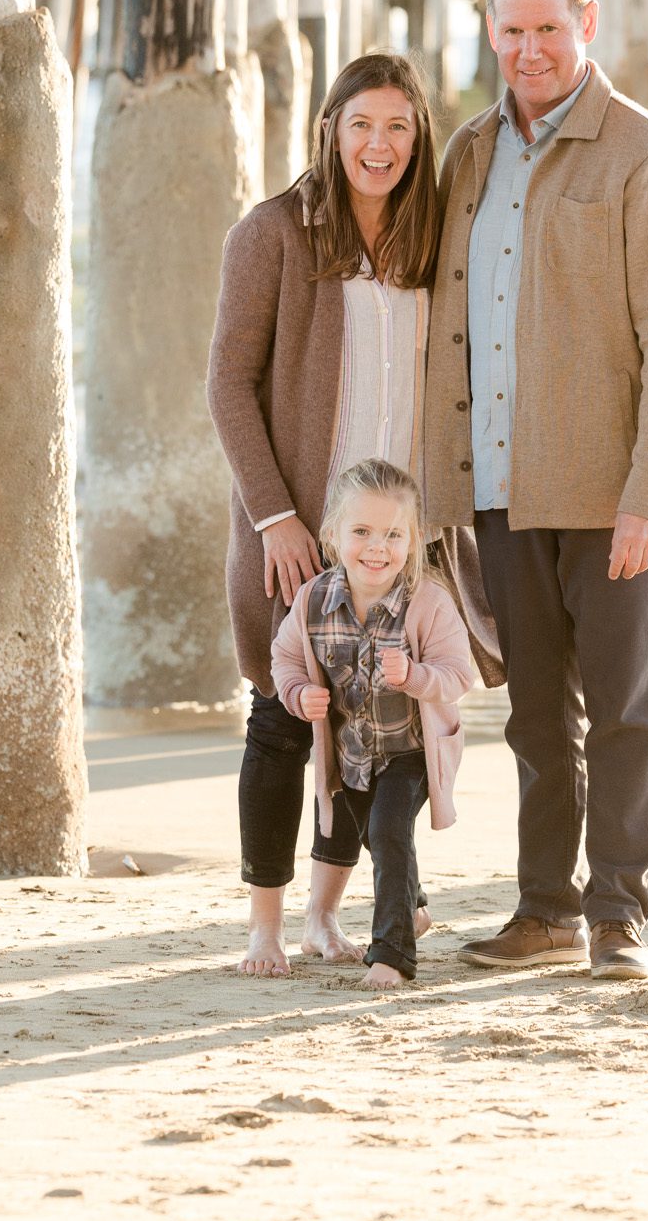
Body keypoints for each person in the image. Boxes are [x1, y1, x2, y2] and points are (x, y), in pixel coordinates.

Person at [423, 0, 648, 981]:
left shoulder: (643, 154)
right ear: (488, 30)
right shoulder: (465, 155)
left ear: (587, 22)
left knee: (626, 709)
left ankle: (618, 915)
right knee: (539, 718)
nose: (530, 49)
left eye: (549, 27)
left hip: (612, 495)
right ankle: (544, 908)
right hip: (501, 491)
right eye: (511, 30)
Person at [208, 51, 496, 979]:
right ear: (330, 127)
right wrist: (274, 517)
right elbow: (227, 386)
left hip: (401, 545)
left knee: (378, 736)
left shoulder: (429, 244)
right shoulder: (273, 235)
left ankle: (338, 917)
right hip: (302, 532)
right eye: (361, 124)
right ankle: (262, 926)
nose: (379, 145)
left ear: (419, 137)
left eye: (399, 127)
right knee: (283, 720)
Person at [272, 459, 473, 989]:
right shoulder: (313, 599)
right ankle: (415, 907)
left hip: (411, 752)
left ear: (414, 540)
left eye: (392, 534)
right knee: (378, 838)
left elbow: (458, 675)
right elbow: (284, 657)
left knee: (388, 830)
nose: (376, 547)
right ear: (333, 535)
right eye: (361, 531)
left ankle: (392, 955)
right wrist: (298, 694)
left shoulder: (426, 601)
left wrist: (415, 675)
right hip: (351, 751)